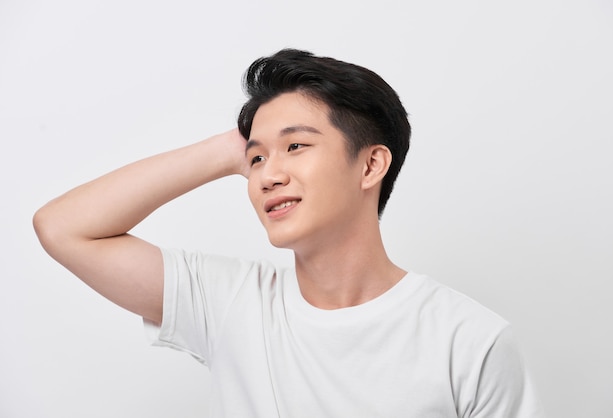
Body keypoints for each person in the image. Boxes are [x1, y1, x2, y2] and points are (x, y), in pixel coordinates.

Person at [33, 49, 545, 417]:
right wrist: (228, 149)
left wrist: (263, 143)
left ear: (370, 166)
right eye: (256, 159)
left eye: (296, 146)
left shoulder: (471, 341)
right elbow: (63, 228)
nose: (267, 175)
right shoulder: (231, 303)